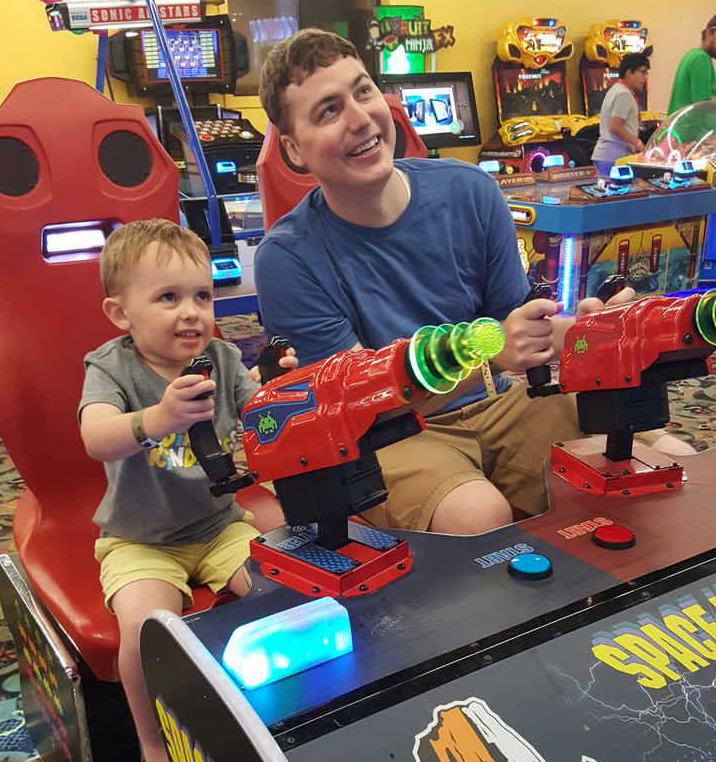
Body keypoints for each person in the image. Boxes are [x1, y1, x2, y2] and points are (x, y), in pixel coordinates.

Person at [254, 29, 687, 540]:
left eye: (363, 91)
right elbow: (357, 408)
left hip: (504, 401)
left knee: (666, 460)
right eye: (329, 110)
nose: (360, 118)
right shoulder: (286, 258)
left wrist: (587, 333)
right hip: (393, 434)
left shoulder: (471, 190)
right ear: (294, 149)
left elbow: (520, 333)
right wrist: (491, 354)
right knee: (479, 514)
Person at [79, 219, 294, 762]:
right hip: (141, 542)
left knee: (286, 591)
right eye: (168, 297)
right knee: (145, 633)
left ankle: (274, 720)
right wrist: (156, 419)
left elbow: (263, 415)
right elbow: (95, 436)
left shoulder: (221, 357)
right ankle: (154, 745)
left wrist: (281, 386)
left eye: (201, 295)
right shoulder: (111, 368)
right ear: (120, 313)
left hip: (219, 526)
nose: (191, 312)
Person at [591, 52, 649, 175]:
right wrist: (638, 143)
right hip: (614, 157)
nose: (645, 78)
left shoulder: (617, 89)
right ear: (629, 72)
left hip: (608, 156)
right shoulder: (623, 94)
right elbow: (615, 126)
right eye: (643, 72)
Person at [668, 18, 716, 114]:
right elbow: (702, 106)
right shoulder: (702, 59)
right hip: (691, 123)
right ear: (709, 33)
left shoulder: (691, 54)